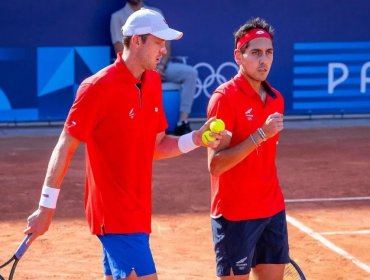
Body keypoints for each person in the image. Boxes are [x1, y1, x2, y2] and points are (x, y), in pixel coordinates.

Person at [24, 9, 222, 280]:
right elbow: (64, 146)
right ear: (138, 41)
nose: (164, 50)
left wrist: (196, 139)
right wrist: (46, 209)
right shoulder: (96, 87)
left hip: (138, 212)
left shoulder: (152, 81)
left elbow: (156, 146)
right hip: (115, 214)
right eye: (159, 42)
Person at [205, 17, 289, 280]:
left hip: (272, 209)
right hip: (235, 215)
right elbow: (215, 164)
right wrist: (261, 134)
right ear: (238, 56)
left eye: (268, 53)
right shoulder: (224, 99)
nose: (263, 60)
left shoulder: (276, 99)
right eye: (255, 53)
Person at [110, 0, 198, 136]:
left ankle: (182, 122)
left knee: (190, 73)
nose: (162, 48)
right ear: (136, 40)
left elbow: (166, 47)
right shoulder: (117, 17)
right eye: (157, 42)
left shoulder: (156, 13)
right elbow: (120, 48)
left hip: (159, 67)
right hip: (136, 68)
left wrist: (159, 67)